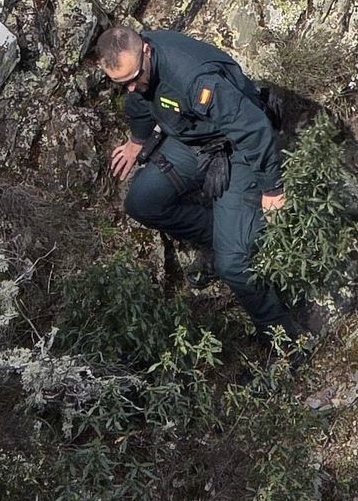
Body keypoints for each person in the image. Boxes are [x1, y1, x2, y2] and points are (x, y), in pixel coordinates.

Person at [95, 26, 305, 344]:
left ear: (147, 51)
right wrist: (138, 140)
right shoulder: (139, 78)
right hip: (191, 143)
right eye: (121, 84)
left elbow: (253, 129)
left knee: (232, 265)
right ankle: (222, 233)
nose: (131, 87)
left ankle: (286, 337)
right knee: (141, 202)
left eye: (134, 77)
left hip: (237, 149)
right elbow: (140, 103)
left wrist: (272, 189)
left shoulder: (193, 78)